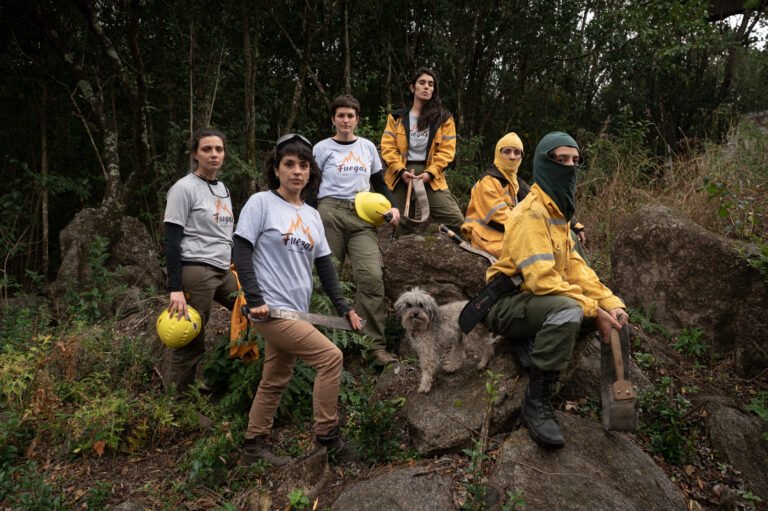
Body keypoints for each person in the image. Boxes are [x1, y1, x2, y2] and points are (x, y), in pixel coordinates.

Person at [481, 132, 628, 448]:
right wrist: (593, 310)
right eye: (561, 160)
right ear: (544, 164)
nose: (570, 167)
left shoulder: (558, 214)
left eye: (575, 160)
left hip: (536, 302)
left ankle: (532, 340)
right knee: (571, 310)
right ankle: (536, 401)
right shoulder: (531, 213)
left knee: (603, 312)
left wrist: (609, 302)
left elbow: (577, 269)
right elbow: (541, 281)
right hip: (508, 303)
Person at [233, 133, 363, 466]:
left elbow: (326, 268)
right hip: (270, 310)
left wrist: (344, 308)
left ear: (310, 172)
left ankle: (252, 447)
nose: (297, 171)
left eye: (303, 165)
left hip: (297, 312)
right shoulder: (261, 203)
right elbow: (242, 250)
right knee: (330, 357)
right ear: (276, 169)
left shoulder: (312, 215)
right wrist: (255, 297)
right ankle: (328, 437)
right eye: (289, 164)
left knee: (275, 378)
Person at [313, 95, 400, 366]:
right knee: (325, 276)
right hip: (330, 212)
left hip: (363, 214)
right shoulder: (322, 148)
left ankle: (373, 346)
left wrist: (393, 206)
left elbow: (379, 183)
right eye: (341, 115)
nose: (346, 120)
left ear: (357, 119)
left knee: (371, 276)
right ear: (333, 119)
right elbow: (310, 185)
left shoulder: (367, 147)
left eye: (350, 115)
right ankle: (318, 343)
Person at [163, 128, 237, 394]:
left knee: (249, 313)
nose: (214, 154)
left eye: (218, 149)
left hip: (223, 270)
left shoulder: (223, 189)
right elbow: (171, 240)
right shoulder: (183, 188)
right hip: (196, 269)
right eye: (207, 149)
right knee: (191, 337)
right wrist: (175, 288)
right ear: (195, 154)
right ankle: (177, 403)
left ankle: (219, 378)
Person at [462, 132, 587, 259]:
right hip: (488, 239)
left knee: (568, 237)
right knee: (548, 250)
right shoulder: (488, 182)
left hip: (509, 237)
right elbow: (501, 218)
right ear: (498, 154)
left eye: (517, 152)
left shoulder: (517, 183)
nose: (512, 156)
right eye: (507, 151)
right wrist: (541, 227)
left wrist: (574, 224)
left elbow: (546, 204)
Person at [380, 67, 465, 233]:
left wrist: (430, 173)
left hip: (430, 175)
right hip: (400, 174)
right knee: (398, 223)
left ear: (434, 90)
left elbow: (447, 152)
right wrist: (401, 171)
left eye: (431, 84)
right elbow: (388, 148)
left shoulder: (444, 119)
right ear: (413, 88)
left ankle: (465, 244)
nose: (427, 87)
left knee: (457, 220)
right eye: (422, 83)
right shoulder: (396, 117)